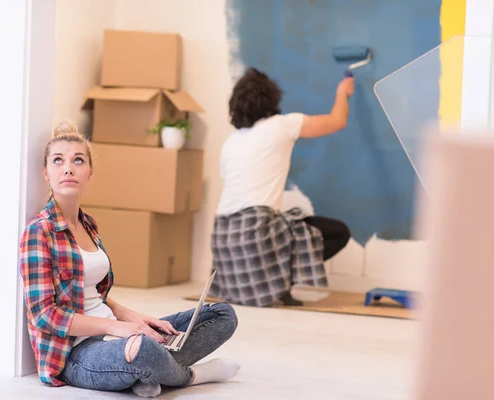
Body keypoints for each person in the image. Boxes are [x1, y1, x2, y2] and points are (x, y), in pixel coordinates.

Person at [19, 120, 240, 398]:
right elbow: (45, 316)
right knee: (144, 350)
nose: (68, 168)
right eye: (58, 161)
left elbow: (95, 295)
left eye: (78, 160)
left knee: (221, 314)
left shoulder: (89, 224)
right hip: (76, 352)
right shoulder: (39, 231)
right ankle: (192, 376)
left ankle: (146, 375)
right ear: (46, 173)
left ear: (89, 172)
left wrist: (137, 319)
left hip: (116, 333)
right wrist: (118, 328)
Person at [209, 68, 353, 308]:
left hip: (223, 241)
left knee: (289, 221)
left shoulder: (231, 141)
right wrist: (343, 92)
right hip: (254, 233)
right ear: (272, 98)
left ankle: (276, 286)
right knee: (338, 232)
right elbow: (337, 121)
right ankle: (281, 285)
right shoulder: (281, 125)